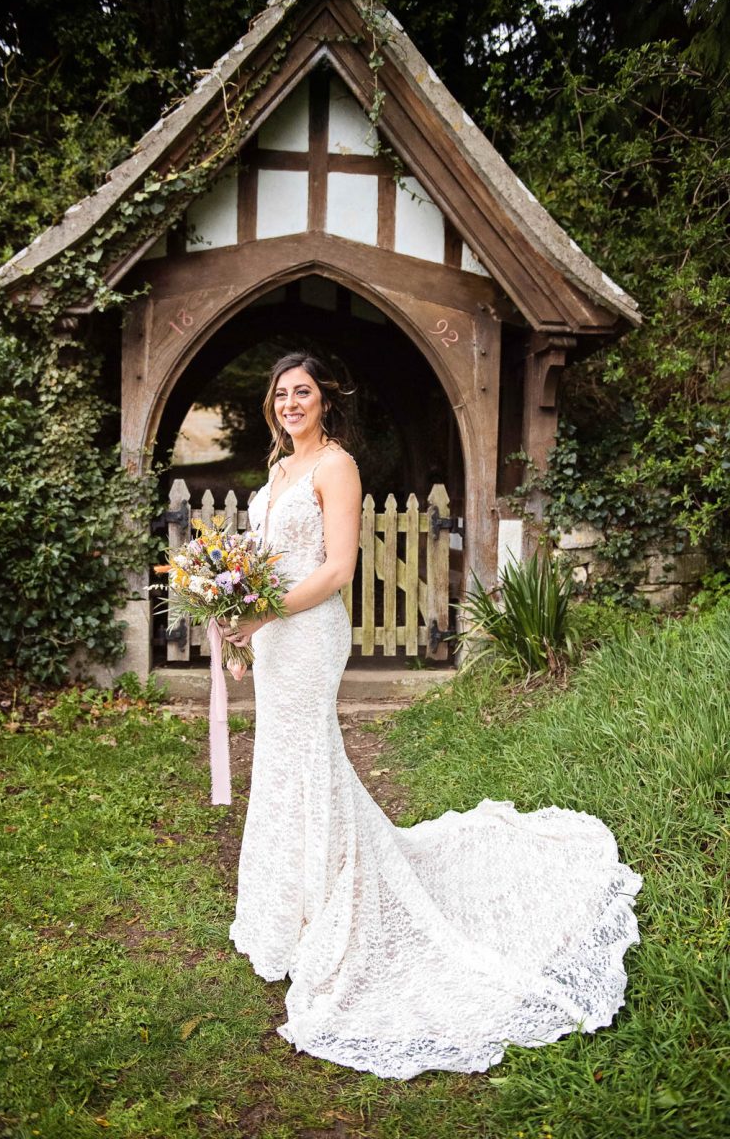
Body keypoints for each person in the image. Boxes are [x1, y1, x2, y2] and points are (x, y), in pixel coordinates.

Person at [224, 351, 642, 1080]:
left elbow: (336, 570)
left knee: (308, 755)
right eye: (282, 393)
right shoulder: (276, 469)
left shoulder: (336, 466)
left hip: (309, 629)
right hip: (271, 637)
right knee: (280, 762)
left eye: (303, 393)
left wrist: (257, 614)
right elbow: (262, 559)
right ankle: (287, 905)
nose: (291, 403)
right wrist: (236, 624)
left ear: (325, 401)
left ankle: (336, 903)